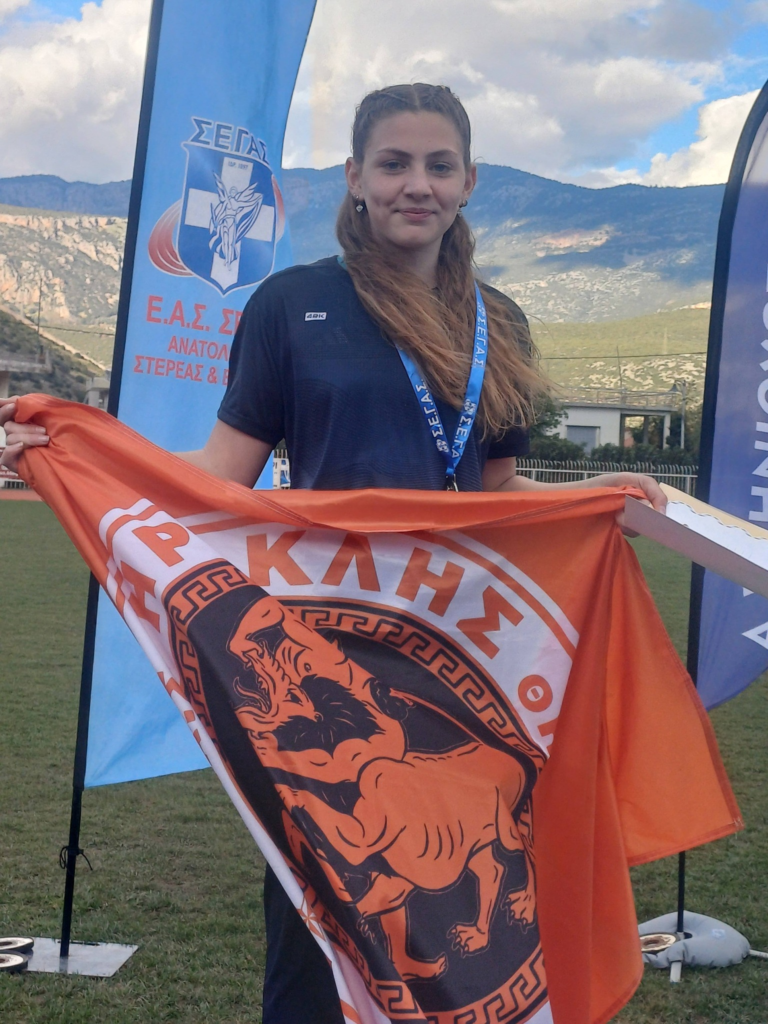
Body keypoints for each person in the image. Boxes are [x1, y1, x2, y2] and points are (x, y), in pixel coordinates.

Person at [1, 83, 665, 1023]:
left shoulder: (500, 320)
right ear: (355, 176)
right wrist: (78, 453)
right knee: (315, 900)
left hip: (460, 650)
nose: (416, 184)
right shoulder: (292, 303)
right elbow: (220, 477)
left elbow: (496, 494)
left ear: (469, 181)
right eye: (393, 163)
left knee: (474, 876)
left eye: (438, 166)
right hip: (327, 651)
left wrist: (600, 497)